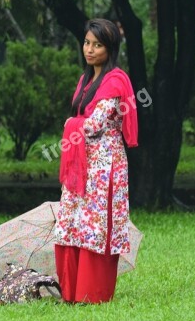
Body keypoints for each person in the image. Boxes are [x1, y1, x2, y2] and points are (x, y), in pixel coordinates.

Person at [53, 18, 138, 304]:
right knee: (72, 221)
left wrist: (70, 123)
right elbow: (83, 122)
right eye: (87, 43)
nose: (89, 50)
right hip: (81, 164)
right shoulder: (85, 79)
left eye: (97, 45)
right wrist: (75, 123)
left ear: (109, 48)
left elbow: (94, 124)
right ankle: (72, 291)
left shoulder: (115, 81)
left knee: (96, 226)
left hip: (105, 165)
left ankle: (93, 292)